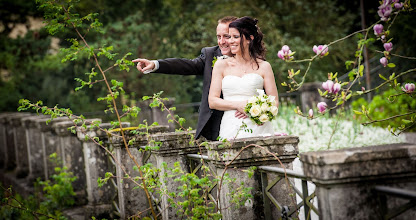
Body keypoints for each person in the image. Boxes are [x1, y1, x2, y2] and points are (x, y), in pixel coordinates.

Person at [132, 16, 246, 141]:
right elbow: (186, 65)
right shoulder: (210, 55)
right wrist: (155, 64)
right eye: (219, 37)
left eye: (227, 36)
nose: (221, 42)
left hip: (247, 119)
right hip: (215, 125)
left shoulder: (254, 60)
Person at [208, 16, 279, 140]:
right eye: (229, 37)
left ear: (249, 39)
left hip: (259, 127)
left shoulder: (264, 66)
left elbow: (275, 102)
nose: (230, 41)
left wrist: (255, 112)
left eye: (236, 37)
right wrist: (238, 105)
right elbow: (213, 101)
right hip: (230, 126)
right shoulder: (221, 65)